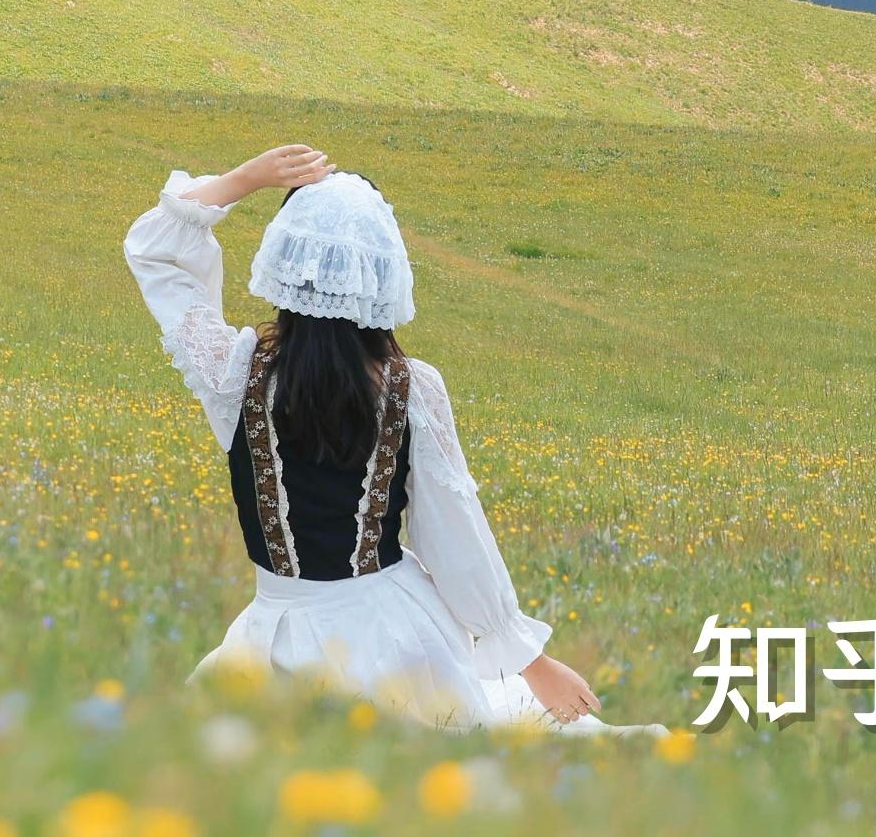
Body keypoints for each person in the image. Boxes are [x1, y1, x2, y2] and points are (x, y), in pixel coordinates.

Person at [123, 142, 618, 730]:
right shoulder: (410, 389)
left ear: (288, 262)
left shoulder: (234, 374)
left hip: (275, 638)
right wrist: (531, 664)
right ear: (381, 272)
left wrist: (241, 180)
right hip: (397, 637)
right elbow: (454, 535)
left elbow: (157, 255)